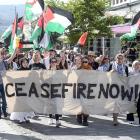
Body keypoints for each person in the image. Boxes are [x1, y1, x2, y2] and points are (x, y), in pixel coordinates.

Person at [10, 58, 35, 123]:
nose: (25, 64)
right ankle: (21, 118)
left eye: (26, 62)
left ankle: (25, 117)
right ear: (21, 63)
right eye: (24, 62)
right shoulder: (18, 70)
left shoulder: (29, 70)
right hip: (20, 89)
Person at [108, 53, 129, 126]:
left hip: (122, 87)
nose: (119, 60)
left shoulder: (125, 67)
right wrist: (111, 72)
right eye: (118, 58)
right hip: (113, 87)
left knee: (119, 103)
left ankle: (116, 116)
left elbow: (127, 77)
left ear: (123, 59)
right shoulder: (112, 65)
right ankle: (115, 119)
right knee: (115, 103)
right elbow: (106, 75)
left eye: (121, 58)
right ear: (116, 59)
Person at [0, 48, 18, 119]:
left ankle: (4, 111)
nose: (1, 55)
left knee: (4, 100)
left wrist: (15, 51)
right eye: (1, 54)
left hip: (4, 84)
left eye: (2, 54)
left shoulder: (4, 62)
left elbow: (12, 57)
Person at [76, 56, 92, 126]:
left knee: (86, 105)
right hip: (80, 88)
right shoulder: (79, 69)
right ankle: (79, 116)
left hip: (88, 88)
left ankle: (85, 119)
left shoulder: (90, 68)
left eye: (86, 62)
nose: (85, 63)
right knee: (80, 104)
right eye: (83, 62)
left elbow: (94, 77)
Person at [48, 57, 62, 127]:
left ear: (56, 63)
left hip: (57, 90)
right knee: (50, 105)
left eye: (54, 62)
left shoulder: (59, 71)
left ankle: (57, 120)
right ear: (50, 63)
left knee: (57, 105)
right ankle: (50, 118)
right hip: (49, 90)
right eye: (52, 62)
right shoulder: (47, 71)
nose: (53, 63)